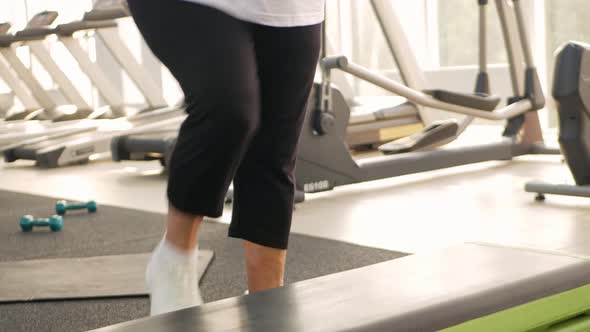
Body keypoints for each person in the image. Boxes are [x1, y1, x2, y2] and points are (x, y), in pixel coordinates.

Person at [126, 0, 325, 316]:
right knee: (229, 108)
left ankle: (268, 302)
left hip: (291, 9)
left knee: (274, 153)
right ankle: (173, 262)